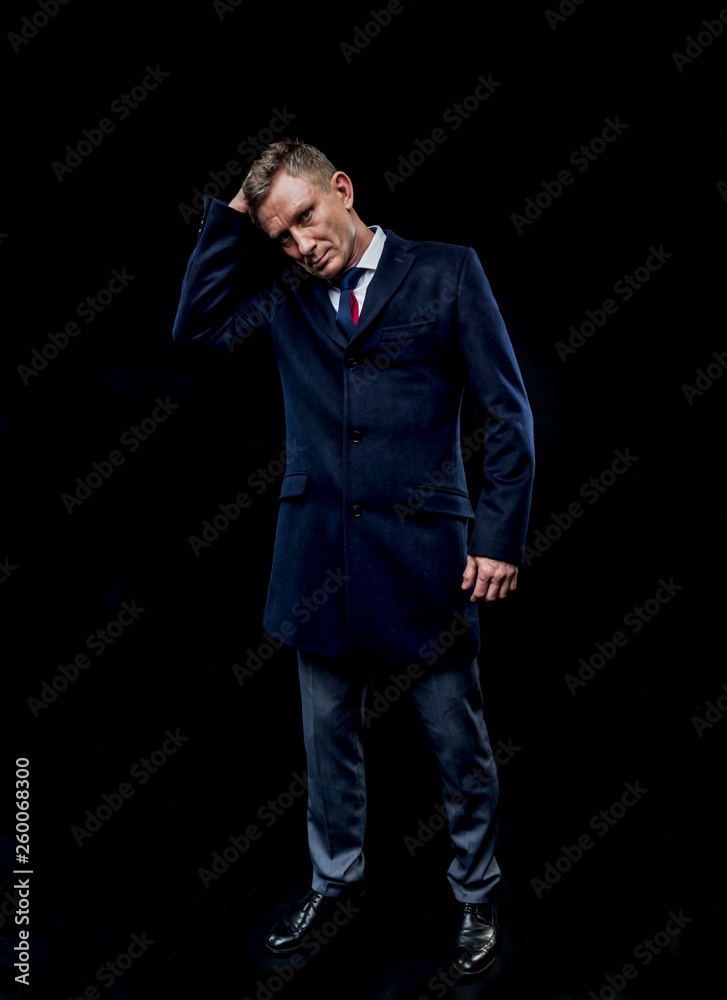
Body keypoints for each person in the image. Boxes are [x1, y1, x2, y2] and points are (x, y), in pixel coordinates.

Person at [172, 139, 534, 976]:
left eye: (306, 216)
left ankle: (477, 893)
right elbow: (195, 329)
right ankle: (333, 883)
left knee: (459, 745)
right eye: (280, 236)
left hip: (428, 556)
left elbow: (508, 414)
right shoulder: (286, 299)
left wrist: (497, 537)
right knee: (327, 741)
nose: (301, 244)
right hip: (318, 559)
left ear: (341, 188)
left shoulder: (448, 271)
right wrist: (232, 216)